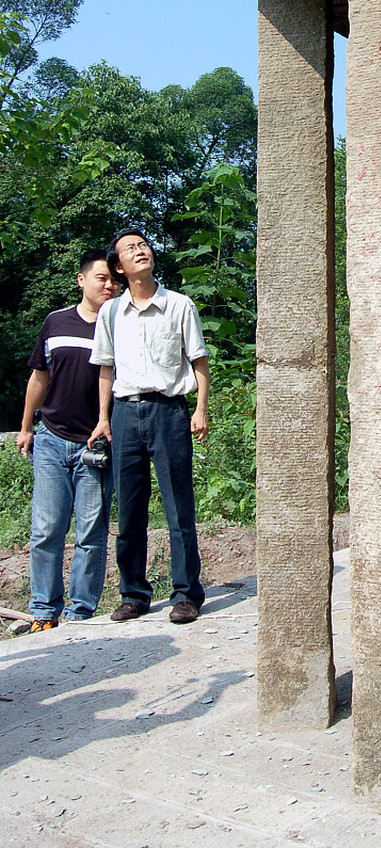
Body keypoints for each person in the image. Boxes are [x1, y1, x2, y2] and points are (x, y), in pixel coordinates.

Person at [89, 228, 210, 625]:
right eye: (129, 249)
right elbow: (106, 368)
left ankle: (186, 594)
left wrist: (200, 410)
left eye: (143, 245)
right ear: (119, 267)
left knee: (178, 505)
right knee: (129, 509)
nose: (140, 251)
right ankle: (134, 593)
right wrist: (103, 418)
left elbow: (199, 363)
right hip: (125, 414)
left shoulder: (178, 305)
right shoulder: (110, 313)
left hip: (168, 412)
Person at [16, 250, 121, 630]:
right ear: (81, 280)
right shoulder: (55, 322)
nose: (109, 285)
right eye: (101, 278)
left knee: (91, 533)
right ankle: (44, 611)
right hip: (50, 439)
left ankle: (80, 613)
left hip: (96, 444)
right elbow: (39, 378)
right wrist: (26, 426)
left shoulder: (119, 326)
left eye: (114, 280)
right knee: (46, 529)